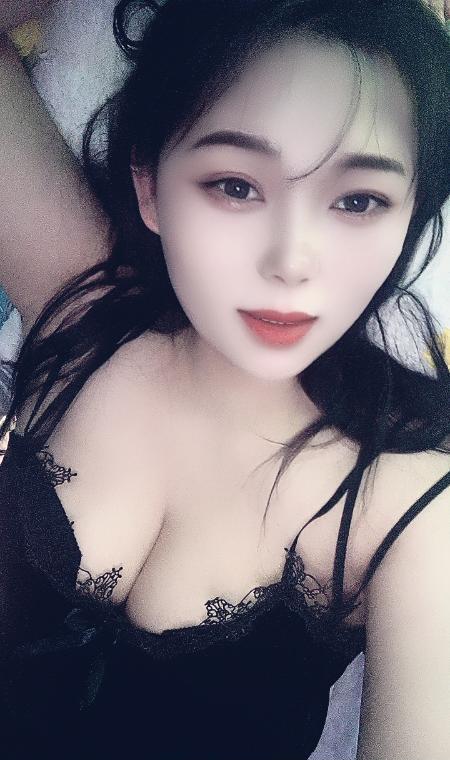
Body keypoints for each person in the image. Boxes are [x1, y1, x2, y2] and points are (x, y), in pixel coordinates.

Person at [0, 1, 449, 758]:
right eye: (236, 185)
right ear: (150, 186)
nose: (291, 261)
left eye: (358, 200)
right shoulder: (88, 304)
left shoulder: (412, 511)